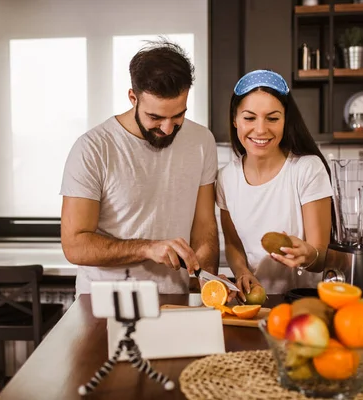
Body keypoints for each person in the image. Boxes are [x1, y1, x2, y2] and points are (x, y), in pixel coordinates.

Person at [60, 39, 219, 296]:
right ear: (133, 97)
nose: (168, 128)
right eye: (155, 117)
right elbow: (75, 245)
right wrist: (146, 248)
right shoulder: (93, 148)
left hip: (173, 299)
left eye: (178, 115)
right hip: (102, 305)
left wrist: (206, 279)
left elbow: (204, 227)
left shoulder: (202, 141)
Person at [216, 69, 333, 300]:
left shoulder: (307, 169)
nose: (260, 129)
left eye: (272, 118)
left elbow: (321, 258)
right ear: (234, 119)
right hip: (254, 303)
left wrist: (308, 254)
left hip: (304, 303)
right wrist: (241, 272)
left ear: (285, 120)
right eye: (249, 118)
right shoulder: (226, 178)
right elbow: (233, 244)